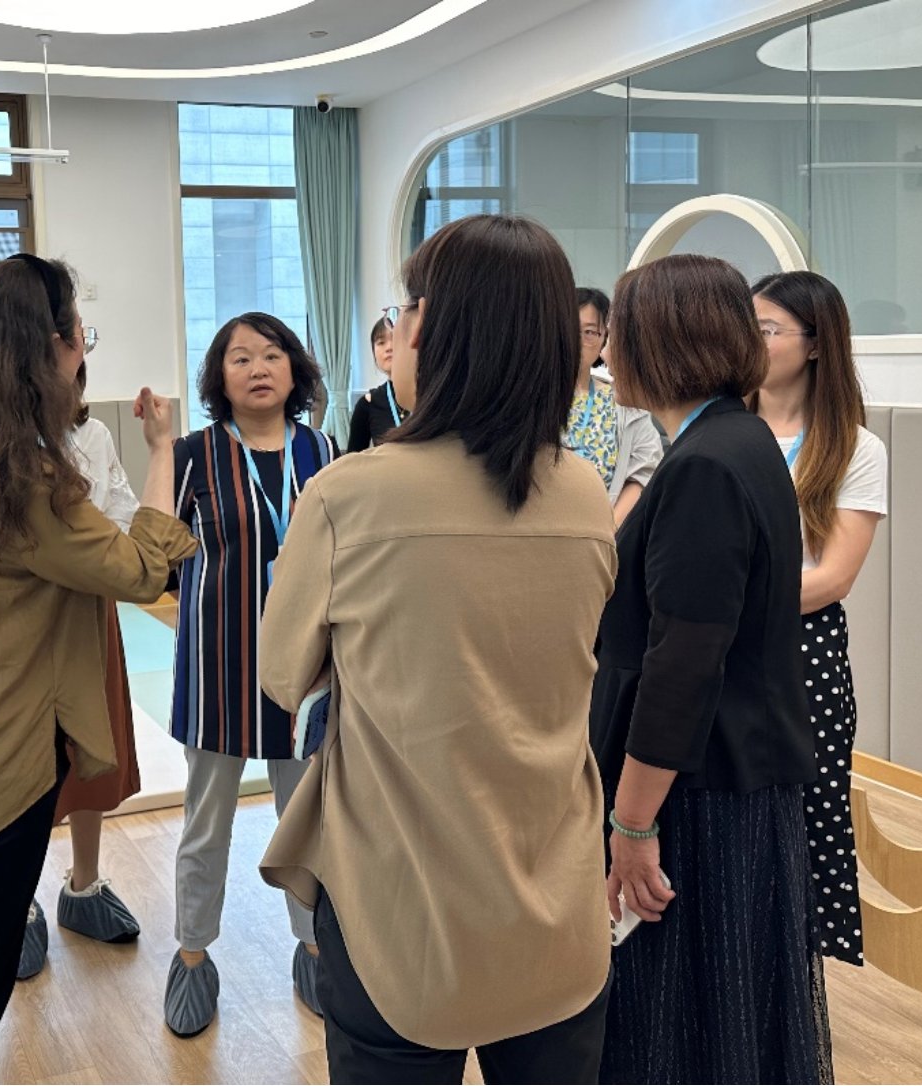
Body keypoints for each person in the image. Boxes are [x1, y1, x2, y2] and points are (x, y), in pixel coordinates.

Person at [258, 214, 616, 1083]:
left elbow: (281, 675)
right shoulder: (583, 491)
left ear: (431, 331)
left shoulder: (348, 495)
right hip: (558, 905)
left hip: (401, 911)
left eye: (406, 307)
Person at [0, 253, 193, 1085]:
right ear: (49, 347)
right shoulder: (27, 477)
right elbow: (141, 570)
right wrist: (163, 448)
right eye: (80, 333)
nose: (84, 348)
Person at [590, 254, 832, 1083]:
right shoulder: (736, 438)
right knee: (729, 1022)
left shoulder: (703, 464)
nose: (606, 351)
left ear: (659, 339)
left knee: (682, 1029)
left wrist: (632, 824)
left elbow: (683, 664)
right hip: (725, 778)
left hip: (695, 793)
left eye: (616, 332)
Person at [164, 311, 338, 1038]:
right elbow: (160, 556)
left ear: (294, 369)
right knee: (206, 823)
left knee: (309, 822)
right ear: (219, 377)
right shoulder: (193, 454)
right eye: (240, 358)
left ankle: (314, 947)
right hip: (218, 670)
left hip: (304, 671)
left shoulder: (324, 450)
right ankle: (192, 957)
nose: (258, 368)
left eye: (271, 354)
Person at [752, 270, 887, 967]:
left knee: (810, 809)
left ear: (814, 343)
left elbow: (833, 578)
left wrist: (730, 603)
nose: (751, 341)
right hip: (715, 642)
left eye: (767, 329)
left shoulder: (856, 448)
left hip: (802, 648)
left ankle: (792, 975)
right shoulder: (722, 429)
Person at [17, 359, 149, 979]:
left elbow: (121, 513)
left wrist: (92, 550)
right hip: (20, 620)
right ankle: (17, 903)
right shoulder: (0, 441)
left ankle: (85, 883)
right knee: (26, 761)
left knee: (94, 744)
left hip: (90, 607)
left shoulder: (92, 435)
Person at [562, 287, 662, 524]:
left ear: (604, 339)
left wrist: (610, 531)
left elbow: (645, 470)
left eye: (589, 332)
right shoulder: (528, 398)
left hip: (605, 532)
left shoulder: (625, 400)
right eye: (568, 328)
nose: (577, 341)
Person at [346, 316, 408, 452]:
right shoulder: (368, 404)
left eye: (396, 339)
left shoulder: (433, 396)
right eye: (381, 342)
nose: (389, 347)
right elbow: (354, 460)